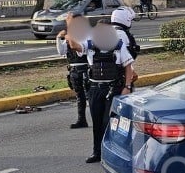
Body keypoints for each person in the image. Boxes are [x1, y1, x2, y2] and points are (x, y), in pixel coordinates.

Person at [83, 23, 137, 164]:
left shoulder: (118, 46)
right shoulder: (90, 45)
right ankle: (97, 152)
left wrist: (127, 86)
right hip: (95, 88)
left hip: (112, 89)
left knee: (109, 122)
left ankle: (111, 152)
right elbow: (75, 46)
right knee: (97, 122)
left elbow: (128, 67)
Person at [57, 12, 91, 129]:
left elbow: (79, 50)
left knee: (89, 96)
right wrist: (59, 38)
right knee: (79, 96)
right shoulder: (69, 35)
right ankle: (81, 120)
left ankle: (98, 119)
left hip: (84, 69)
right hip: (73, 69)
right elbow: (61, 51)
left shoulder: (85, 35)